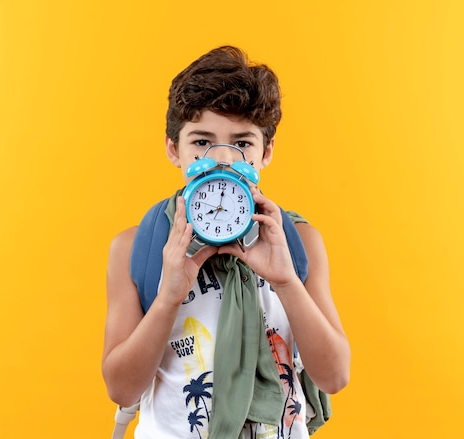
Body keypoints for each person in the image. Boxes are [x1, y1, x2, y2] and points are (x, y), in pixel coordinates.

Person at [102, 46, 350, 439]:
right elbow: (121, 388)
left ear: (265, 153)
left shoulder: (297, 240)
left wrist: (286, 282)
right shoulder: (138, 247)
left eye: (243, 144)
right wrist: (168, 295)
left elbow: (335, 375)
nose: (221, 160)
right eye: (201, 142)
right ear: (173, 149)